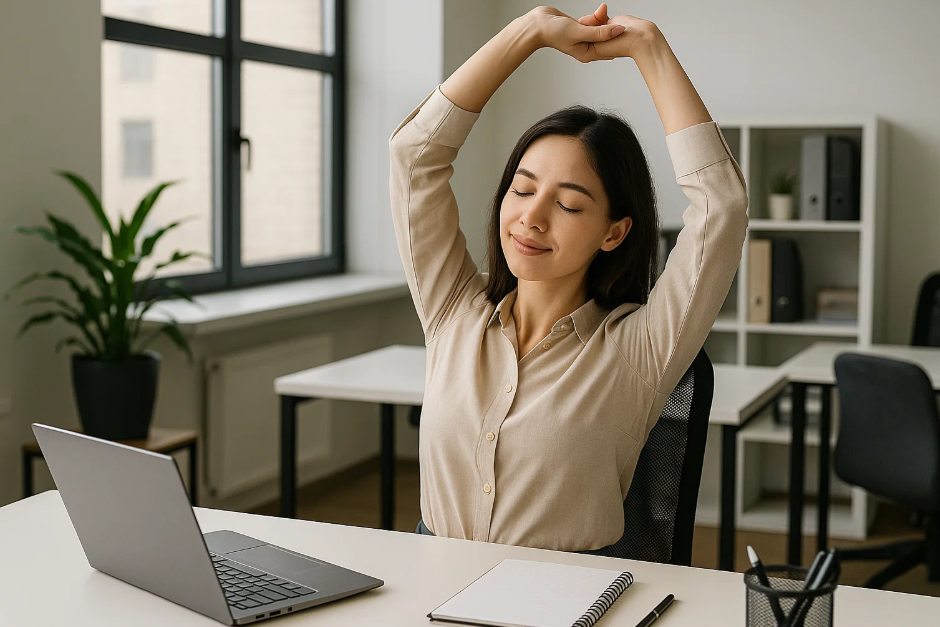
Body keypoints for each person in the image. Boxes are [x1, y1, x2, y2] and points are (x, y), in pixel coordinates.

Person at [389, 4, 747, 552]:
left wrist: (648, 48)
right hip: (434, 586)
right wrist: (529, 32)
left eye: (570, 205)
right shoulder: (453, 309)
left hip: (562, 604)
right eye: (523, 189)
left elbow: (721, 208)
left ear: (614, 232)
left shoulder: (638, 351)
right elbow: (415, 155)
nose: (532, 218)